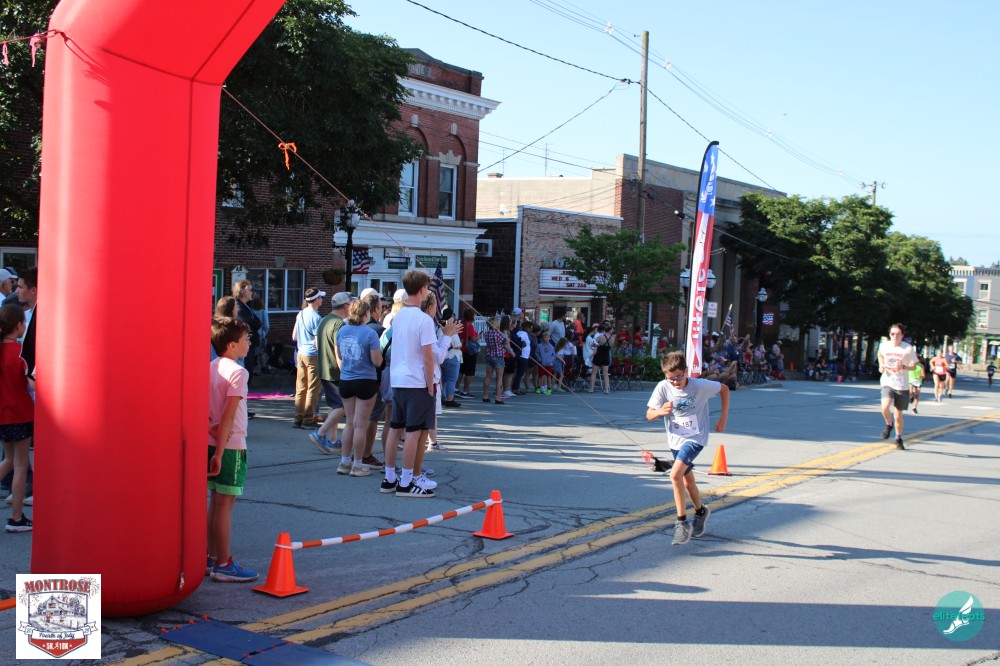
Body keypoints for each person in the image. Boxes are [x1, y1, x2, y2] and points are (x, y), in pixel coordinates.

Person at [646, 351, 729, 545]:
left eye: (678, 377)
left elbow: (724, 389)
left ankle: (681, 523)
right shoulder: (663, 387)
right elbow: (649, 414)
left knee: (675, 475)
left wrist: (723, 418)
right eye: (671, 378)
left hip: (695, 437)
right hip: (675, 440)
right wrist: (660, 411)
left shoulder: (699, 386)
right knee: (687, 482)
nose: (675, 382)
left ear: (686, 371)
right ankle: (701, 512)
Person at [207, 317, 258, 581]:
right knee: (225, 505)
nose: (249, 343)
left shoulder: (211, 367)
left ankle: (210, 556)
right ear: (231, 345)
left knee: (216, 503)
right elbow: (228, 415)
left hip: (212, 442)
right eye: (246, 339)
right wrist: (220, 452)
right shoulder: (238, 372)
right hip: (229, 446)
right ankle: (224, 564)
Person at [382, 270, 441, 498]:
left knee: (395, 429)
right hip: (416, 381)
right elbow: (428, 358)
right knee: (413, 433)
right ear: (423, 289)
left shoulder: (399, 317)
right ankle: (406, 482)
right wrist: (430, 383)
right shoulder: (423, 320)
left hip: (398, 380)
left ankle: (389, 478)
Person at [334, 299, 383, 477]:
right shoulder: (370, 333)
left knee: (349, 423)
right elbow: (377, 361)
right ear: (366, 313)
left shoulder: (342, 331)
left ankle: (344, 462)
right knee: (360, 425)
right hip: (365, 380)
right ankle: (358, 465)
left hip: (346, 379)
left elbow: (340, 355)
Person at [0, 305, 33, 532]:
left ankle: (16, 516)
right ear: (19, 325)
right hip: (20, 414)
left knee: (9, 460)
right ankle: (16, 517)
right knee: (20, 465)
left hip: (2, 414)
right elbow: (33, 384)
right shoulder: (20, 354)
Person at [311, 291, 353, 452]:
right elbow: (338, 351)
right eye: (350, 304)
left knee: (334, 405)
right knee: (343, 405)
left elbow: (317, 344)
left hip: (325, 369)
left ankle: (333, 439)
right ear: (346, 306)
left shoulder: (324, 320)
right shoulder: (339, 324)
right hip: (335, 371)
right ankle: (320, 433)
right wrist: (345, 372)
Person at [877, 323, 918, 450]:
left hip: (901, 384)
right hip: (887, 381)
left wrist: (904, 367)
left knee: (898, 414)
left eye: (897, 334)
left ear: (902, 335)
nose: (895, 336)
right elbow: (880, 355)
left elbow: (914, 366)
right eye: (892, 334)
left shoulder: (908, 348)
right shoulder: (884, 346)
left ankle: (898, 437)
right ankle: (889, 424)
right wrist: (881, 365)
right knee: (884, 407)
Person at [292, 288, 325, 429]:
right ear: (316, 299)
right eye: (320, 297)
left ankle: (298, 417)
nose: (322, 299)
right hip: (313, 355)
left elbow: (294, 336)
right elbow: (318, 342)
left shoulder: (301, 313)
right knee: (313, 388)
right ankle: (308, 418)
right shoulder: (317, 318)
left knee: (301, 387)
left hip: (301, 353)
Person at [232, 280, 263, 383]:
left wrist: (255, 322)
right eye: (250, 290)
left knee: (249, 370)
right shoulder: (238, 307)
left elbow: (258, 322)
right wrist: (255, 323)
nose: (252, 292)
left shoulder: (247, 306)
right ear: (242, 291)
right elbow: (252, 324)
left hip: (250, 345)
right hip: (242, 345)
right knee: (245, 373)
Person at [482, 316, 510, 404]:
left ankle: (485, 396)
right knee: (499, 377)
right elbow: (506, 341)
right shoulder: (498, 334)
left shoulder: (486, 334)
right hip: (499, 356)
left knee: (488, 377)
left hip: (489, 355)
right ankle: (498, 398)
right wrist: (500, 332)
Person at [439, 307, 463, 408]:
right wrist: (461, 344)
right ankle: (450, 399)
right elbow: (457, 344)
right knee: (451, 380)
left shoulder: (439, 328)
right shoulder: (451, 329)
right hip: (452, 357)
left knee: (443, 379)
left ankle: (442, 397)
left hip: (443, 357)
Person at [456, 309, 480, 399]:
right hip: (469, 351)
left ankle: (456, 388)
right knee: (469, 372)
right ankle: (465, 391)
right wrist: (479, 337)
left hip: (462, 349)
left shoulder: (462, 324)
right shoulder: (469, 326)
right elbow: (473, 339)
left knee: (461, 370)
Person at [590, 324, 612, 394]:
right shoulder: (612, 338)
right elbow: (611, 348)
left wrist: (597, 345)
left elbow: (593, 344)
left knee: (594, 372)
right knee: (605, 373)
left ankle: (591, 389)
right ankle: (606, 390)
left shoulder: (600, 337)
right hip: (606, 355)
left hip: (598, 355)